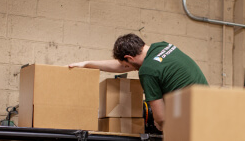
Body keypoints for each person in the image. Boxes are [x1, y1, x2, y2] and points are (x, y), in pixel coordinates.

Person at [69, 33, 208, 131]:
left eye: (127, 65)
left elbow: (160, 116)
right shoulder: (163, 46)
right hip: (209, 108)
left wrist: (159, 124)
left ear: (130, 57)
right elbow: (123, 65)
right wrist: (87, 63)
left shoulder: (147, 70)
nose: (127, 68)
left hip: (191, 121)